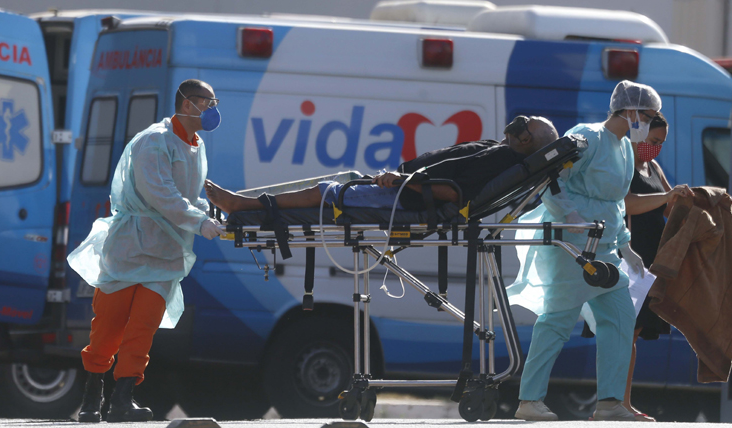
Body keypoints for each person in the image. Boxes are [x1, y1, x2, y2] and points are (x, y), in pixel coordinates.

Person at [67, 79, 226, 423]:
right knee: (108, 326)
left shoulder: (195, 146)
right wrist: (199, 222)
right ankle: (92, 397)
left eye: (214, 103)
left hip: (166, 252)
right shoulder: (154, 141)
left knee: (143, 327)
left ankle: (122, 399)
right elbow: (160, 194)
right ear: (187, 104)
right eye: (208, 103)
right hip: (131, 247)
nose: (213, 110)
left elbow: (184, 196)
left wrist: (210, 212)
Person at [506, 80, 660, 421]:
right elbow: (551, 178)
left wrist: (625, 245)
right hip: (571, 246)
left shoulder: (624, 148)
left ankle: (609, 403)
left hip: (603, 249)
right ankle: (529, 400)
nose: (651, 123)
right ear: (630, 111)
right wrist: (569, 214)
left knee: (620, 319)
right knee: (557, 320)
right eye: (649, 116)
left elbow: (615, 203)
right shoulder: (586, 136)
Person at [205, 116, 559, 214]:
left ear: (527, 141)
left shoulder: (502, 158)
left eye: (525, 125)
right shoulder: (497, 150)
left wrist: (402, 182)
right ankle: (247, 200)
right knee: (344, 179)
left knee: (327, 193)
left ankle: (243, 205)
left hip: (406, 198)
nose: (518, 122)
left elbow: (455, 193)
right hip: (403, 189)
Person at [618, 112, 692, 421]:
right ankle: (615, 402)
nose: (656, 148)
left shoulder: (653, 167)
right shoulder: (622, 162)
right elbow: (627, 203)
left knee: (632, 334)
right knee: (623, 332)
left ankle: (622, 402)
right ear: (637, 134)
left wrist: (687, 198)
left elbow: (669, 207)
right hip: (628, 258)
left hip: (649, 261)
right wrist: (667, 196)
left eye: (661, 143)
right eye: (652, 141)